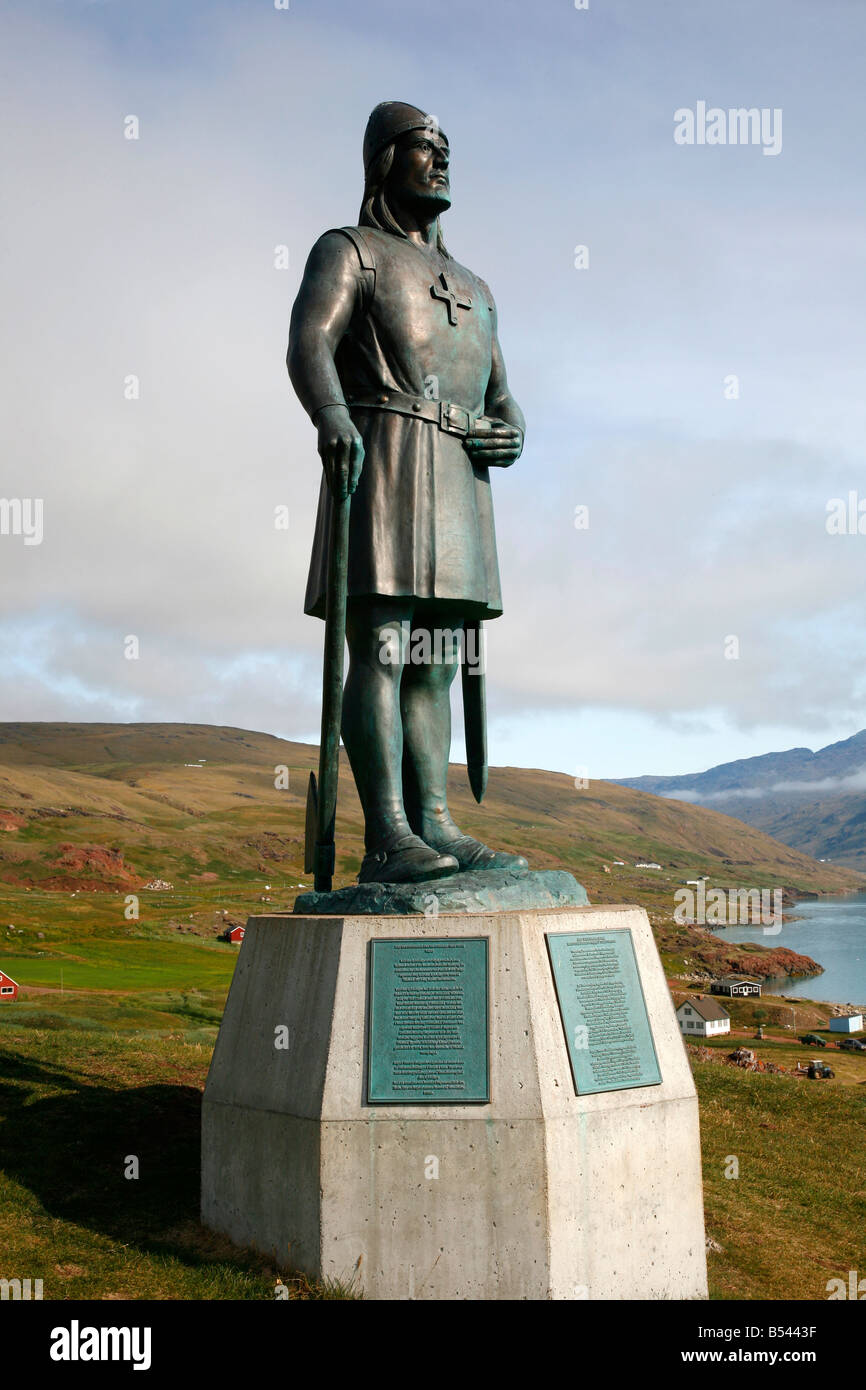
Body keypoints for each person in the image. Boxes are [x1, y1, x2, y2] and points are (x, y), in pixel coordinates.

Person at [288, 102, 529, 885]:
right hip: (385, 455)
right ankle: (386, 833)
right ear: (384, 160)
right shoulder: (349, 251)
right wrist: (331, 415)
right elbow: (309, 342)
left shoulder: (475, 286)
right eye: (424, 147)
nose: (440, 160)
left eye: (446, 149)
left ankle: (435, 822)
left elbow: (503, 392)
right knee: (386, 647)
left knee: (435, 660)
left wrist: (511, 430)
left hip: (458, 475)